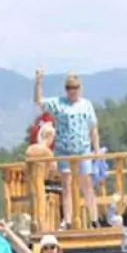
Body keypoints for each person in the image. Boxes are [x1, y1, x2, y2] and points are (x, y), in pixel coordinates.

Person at [35, 67, 101, 229]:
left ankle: (94, 218)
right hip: (64, 150)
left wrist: (97, 149)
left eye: (75, 88)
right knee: (67, 184)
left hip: (83, 150)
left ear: (80, 88)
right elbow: (39, 101)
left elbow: (93, 128)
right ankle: (68, 220)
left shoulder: (86, 105)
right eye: (69, 88)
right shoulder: (60, 103)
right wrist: (39, 81)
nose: (73, 91)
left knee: (86, 184)